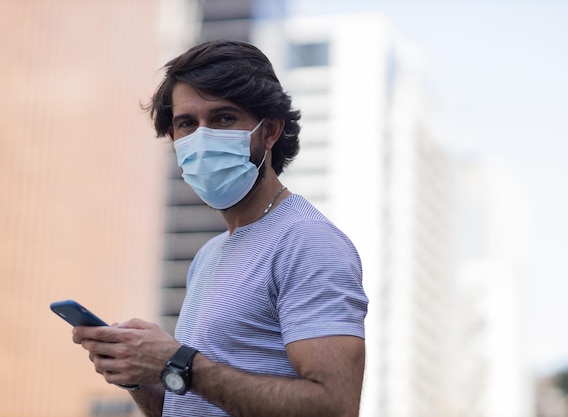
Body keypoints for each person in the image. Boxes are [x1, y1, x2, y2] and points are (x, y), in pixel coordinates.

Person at [72, 40, 368, 417]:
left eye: (224, 118)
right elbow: (192, 404)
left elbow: (334, 406)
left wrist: (179, 362)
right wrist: (137, 372)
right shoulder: (210, 254)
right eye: (186, 124)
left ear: (270, 130)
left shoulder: (308, 242)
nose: (203, 136)